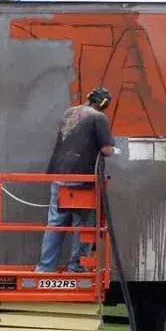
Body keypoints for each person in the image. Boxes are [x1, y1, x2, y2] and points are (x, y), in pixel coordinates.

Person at [35, 87, 116, 273]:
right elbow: (107, 150)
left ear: (88, 98)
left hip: (59, 175)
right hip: (80, 177)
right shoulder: (98, 117)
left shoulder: (69, 113)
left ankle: (45, 268)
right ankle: (76, 266)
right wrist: (113, 148)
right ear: (103, 104)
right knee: (84, 224)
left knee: (55, 223)